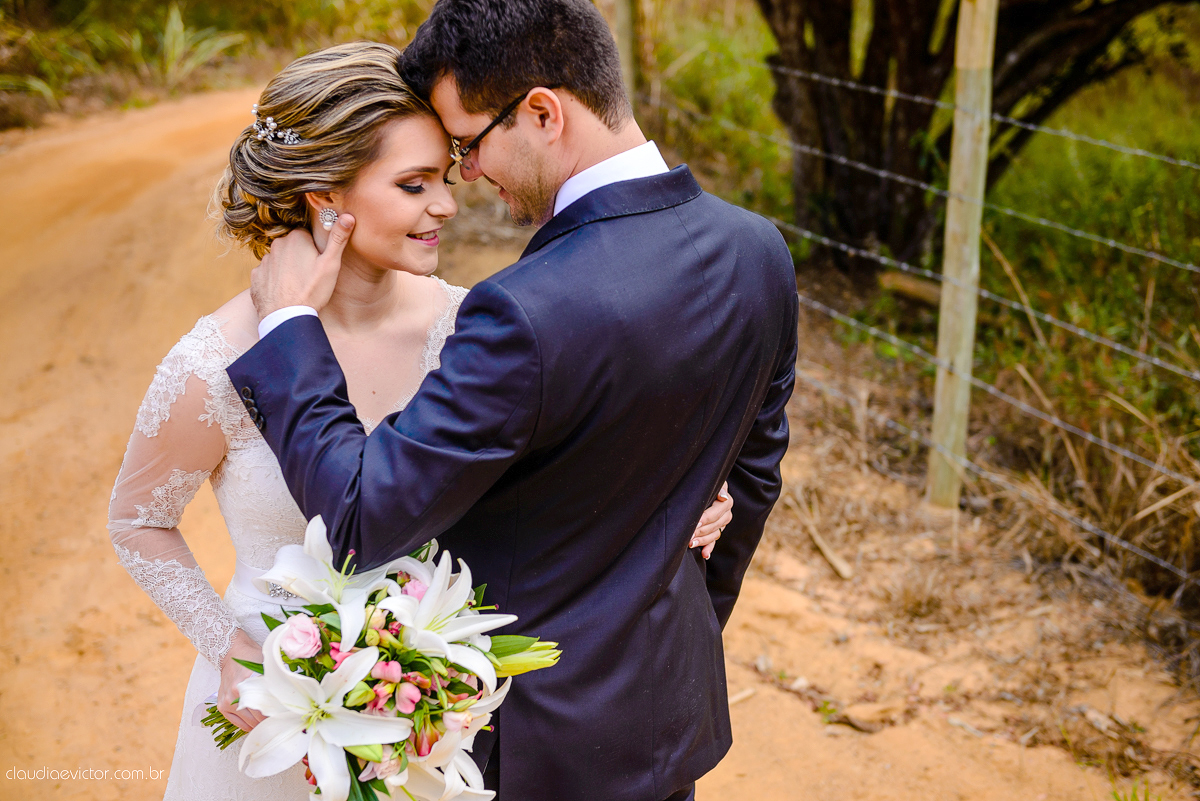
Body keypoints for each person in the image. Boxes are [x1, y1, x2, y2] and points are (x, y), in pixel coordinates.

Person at [106, 41, 732, 800]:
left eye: (446, 173)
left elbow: (566, 474)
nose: (448, 202)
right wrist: (227, 646)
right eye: (414, 184)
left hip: (440, 727)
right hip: (270, 718)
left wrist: (679, 492)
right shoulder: (217, 361)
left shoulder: (481, 327)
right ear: (323, 195)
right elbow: (138, 520)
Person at [226, 1, 800, 799]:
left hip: (530, 752)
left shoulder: (525, 310)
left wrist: (289, 323)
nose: (464, 176)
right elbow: (752, 482)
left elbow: (361, 514)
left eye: (467, 144)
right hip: (665, 725)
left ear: (541, 112)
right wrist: (666, 634)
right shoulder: (758, 251)